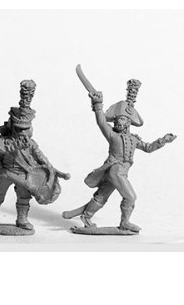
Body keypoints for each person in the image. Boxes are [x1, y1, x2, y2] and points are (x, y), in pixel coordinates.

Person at [63, 79, 176, 232]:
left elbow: (148, 148)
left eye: (121, 119)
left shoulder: (134, 139)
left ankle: (86, 216)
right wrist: (98, 104)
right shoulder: (112, 135)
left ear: (128, 122)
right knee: (130, 197)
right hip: (115, 170)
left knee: (101, 197)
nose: (117, 122)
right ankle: (124, 223)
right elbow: (102, 122)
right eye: (116, 119)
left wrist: (163, 141)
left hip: (121, 172)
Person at [0, 80, 69, 232]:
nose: (22, 132)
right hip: (5, 173)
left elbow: (42, 159)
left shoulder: (31, 144)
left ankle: (22, 219)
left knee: (24, 197)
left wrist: (54, 170)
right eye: (19, 129)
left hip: (23, 175)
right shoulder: (4, 141)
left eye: (25, 129)